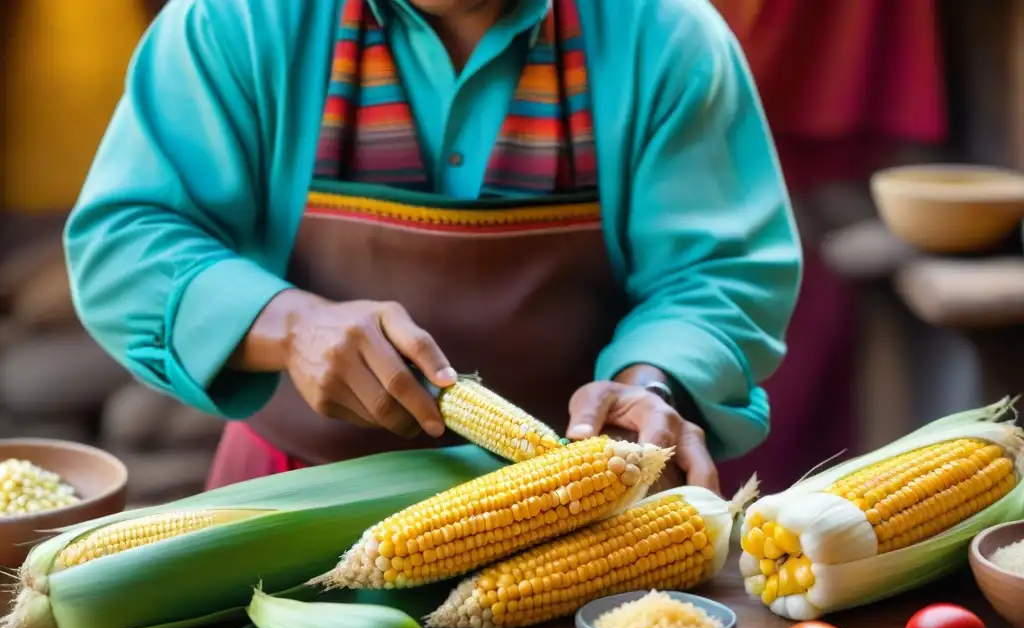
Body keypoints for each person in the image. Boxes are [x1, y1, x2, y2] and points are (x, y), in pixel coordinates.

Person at [64, 0, 802, 495]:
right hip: (286, 494)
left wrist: (651, 380)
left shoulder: (664, 32)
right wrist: (290, 326)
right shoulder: (241, 20)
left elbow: (719, 274)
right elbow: (125, 239)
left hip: (579, 513)